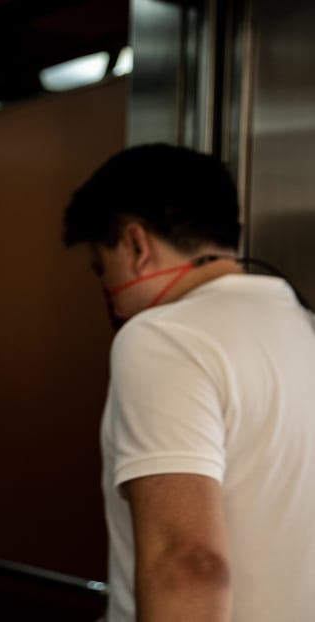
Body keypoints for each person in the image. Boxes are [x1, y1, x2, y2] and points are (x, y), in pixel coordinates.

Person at [63, 143, 315, 621]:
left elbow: (188, 565)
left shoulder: (162, 338)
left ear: (137, 245)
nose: (110, 295)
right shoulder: (303, 326)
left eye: (102, 267)